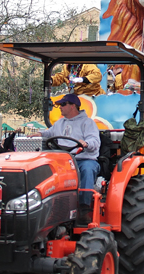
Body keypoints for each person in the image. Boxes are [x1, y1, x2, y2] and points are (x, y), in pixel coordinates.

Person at [36, 93, 100, 222]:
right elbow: (49, 133)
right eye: (60, 104)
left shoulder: (87, 123)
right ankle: (45, 205)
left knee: (87, 169)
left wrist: (86, 143)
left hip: (83, 158)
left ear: (73, 106)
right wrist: (39, 134)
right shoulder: (60, 123)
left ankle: (84, 207)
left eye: (63, 104)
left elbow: (94, 141)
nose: (60, 107)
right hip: (64, 159)